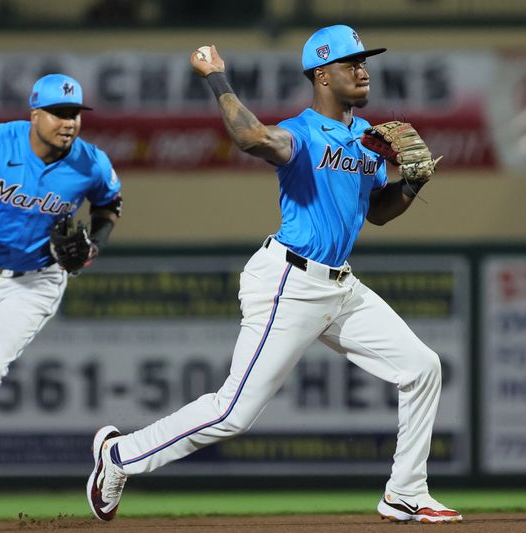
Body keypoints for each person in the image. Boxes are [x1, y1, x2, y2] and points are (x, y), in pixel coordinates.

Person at [87, 25, 462, 524]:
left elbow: (377, 212)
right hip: (289, 281)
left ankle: (405, 492)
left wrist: (411, 186)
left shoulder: (368, 141)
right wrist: (217, 77)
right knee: (232, 413)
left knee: (422, 367)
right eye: (351, 63)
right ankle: (119, 456)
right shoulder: (302, 133)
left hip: (340, 287)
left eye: (364, 61)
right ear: (322, 76)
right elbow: (250, 136)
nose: (363, 69)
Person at [0, 73, 122, 525]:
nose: (68, 122)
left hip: (38, 280)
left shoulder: (91, 163)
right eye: (58, 113)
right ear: (35, 115)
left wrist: (94, 244)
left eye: (74, 113)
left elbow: (109, 206)